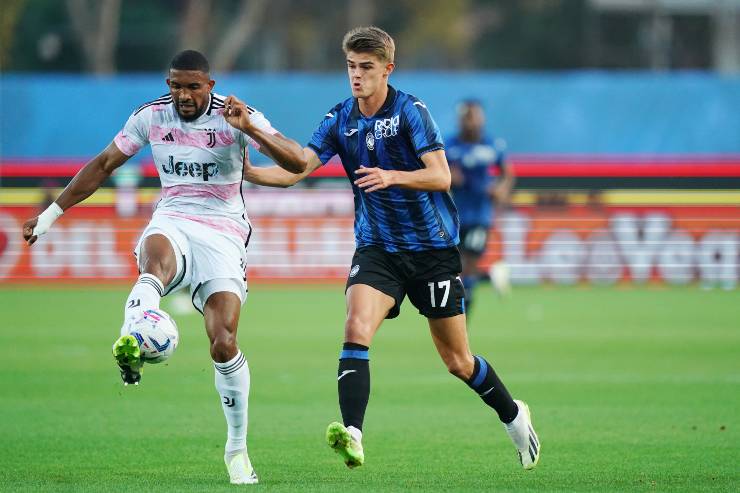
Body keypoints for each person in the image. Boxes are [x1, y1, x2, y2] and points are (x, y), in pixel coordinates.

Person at [224, 27, 539, 471]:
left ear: (387, 69)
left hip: (431, 251)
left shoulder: (411, 111)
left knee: (457, 361)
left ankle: (513, 415)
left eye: (366, 67)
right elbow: (299, 168)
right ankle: (353, 434)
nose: (357, 75)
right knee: (356, 326)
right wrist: (251, 172)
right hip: (377, 248)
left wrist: (392, 176)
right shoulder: (339, 118)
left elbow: (441, 176)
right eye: (351, 66)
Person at [21, 50, 306, 485]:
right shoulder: (151, 116)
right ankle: (134, 331)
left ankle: (236, 450)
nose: (183, 95)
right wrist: (49, 216)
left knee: (224, 341)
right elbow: (104, 164)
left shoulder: (235, 115)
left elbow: (298, 162)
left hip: (223, 232)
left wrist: (248, 127)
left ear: (210, 86)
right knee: (155, 261)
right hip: (173, 217)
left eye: (192, 86)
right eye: (175, 85)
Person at [446, 100, 515, 311]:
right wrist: (448, 176)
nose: (471, 122)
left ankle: (461, 317)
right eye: (467, 117)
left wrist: (501, 189)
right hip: (452, 217)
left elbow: (508, 173)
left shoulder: (491, 145)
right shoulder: (449, 145)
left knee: (466, 265)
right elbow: (435, 170)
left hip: (479, 216)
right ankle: (492, 275)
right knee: (454, 268)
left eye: (474, 116)